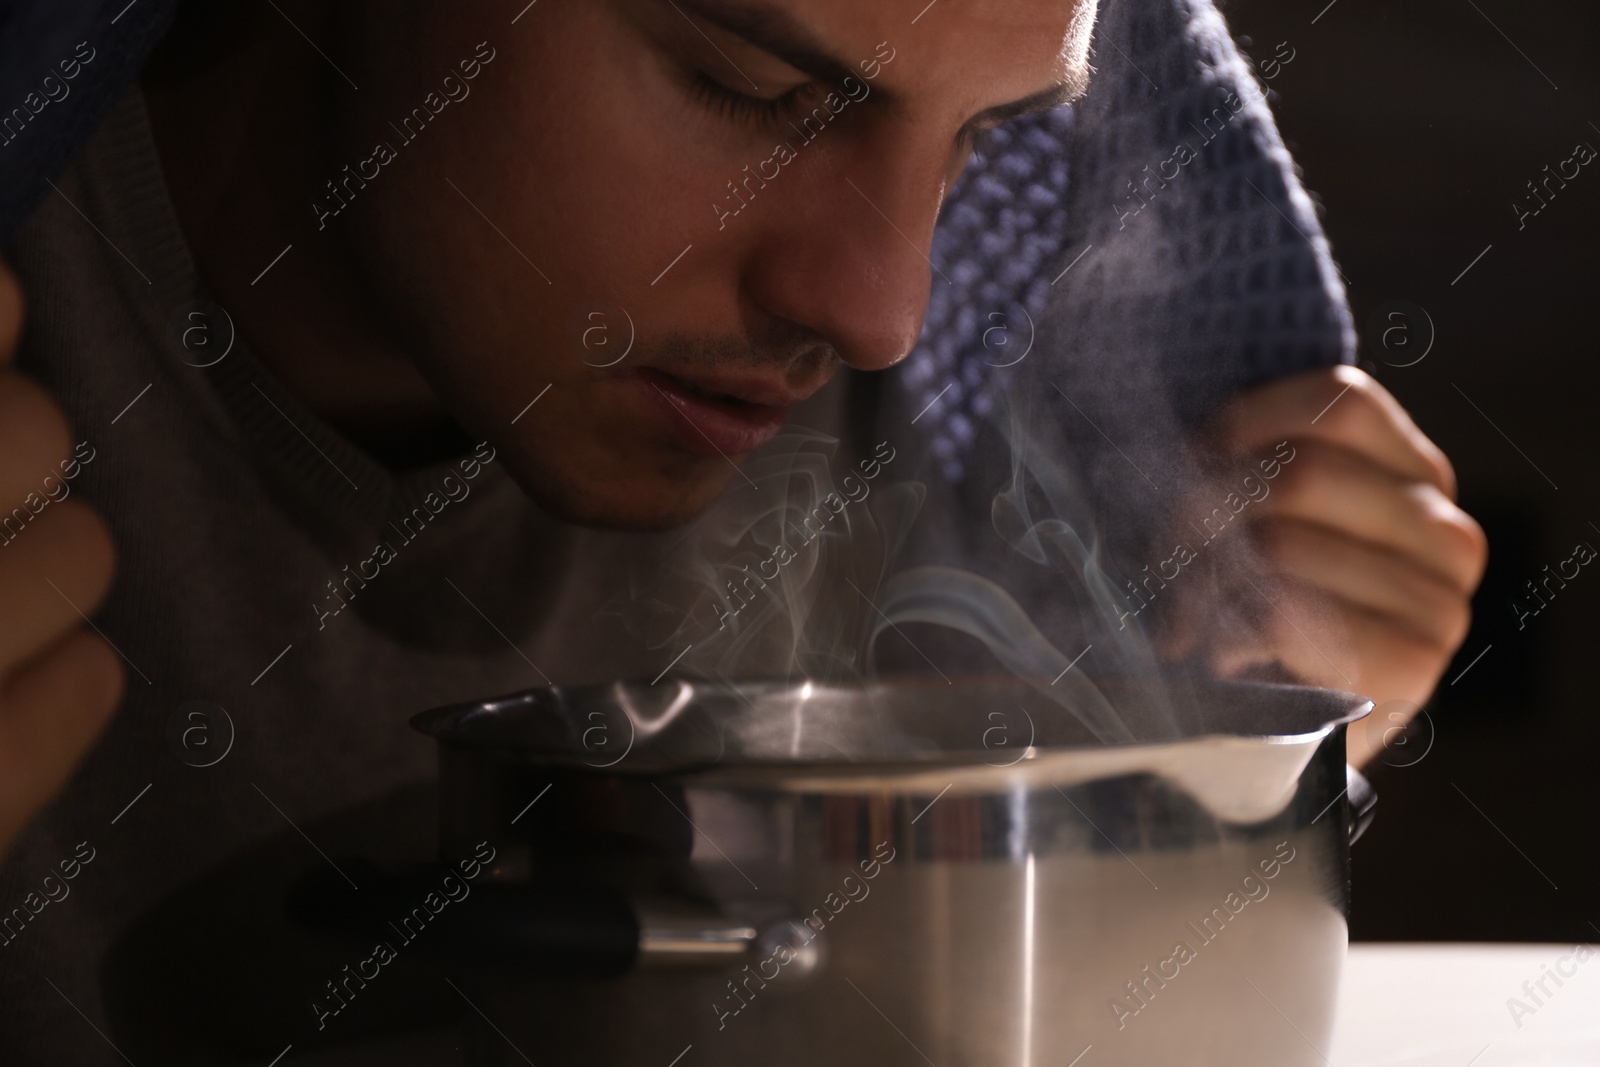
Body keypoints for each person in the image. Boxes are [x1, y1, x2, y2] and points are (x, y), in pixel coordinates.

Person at [0, 0, 1484, 1061]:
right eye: (757, 90)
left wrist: (1226, 738)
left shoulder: (971, 393)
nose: (881, 311)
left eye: (987, 136)